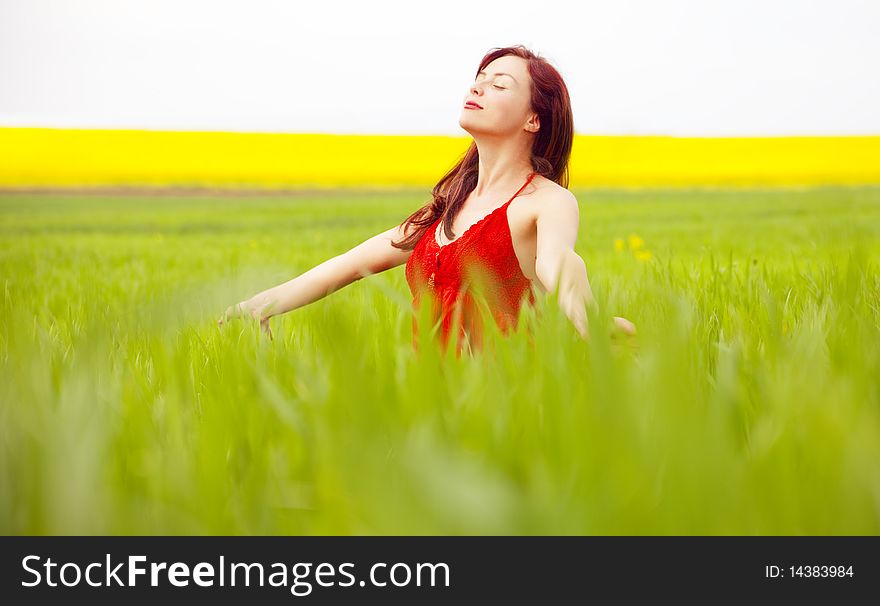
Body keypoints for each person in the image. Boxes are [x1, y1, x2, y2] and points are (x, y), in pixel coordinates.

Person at [218, 45, 637, 355]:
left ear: (534, 118)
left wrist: (589, 321)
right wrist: (257, 306)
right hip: (434, 415)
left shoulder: (547, 201)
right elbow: (343, 268)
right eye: (480, 78)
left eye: (499, 84)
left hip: (509, 413)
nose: (478, 86)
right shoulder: (446, 212)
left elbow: (559, 263)